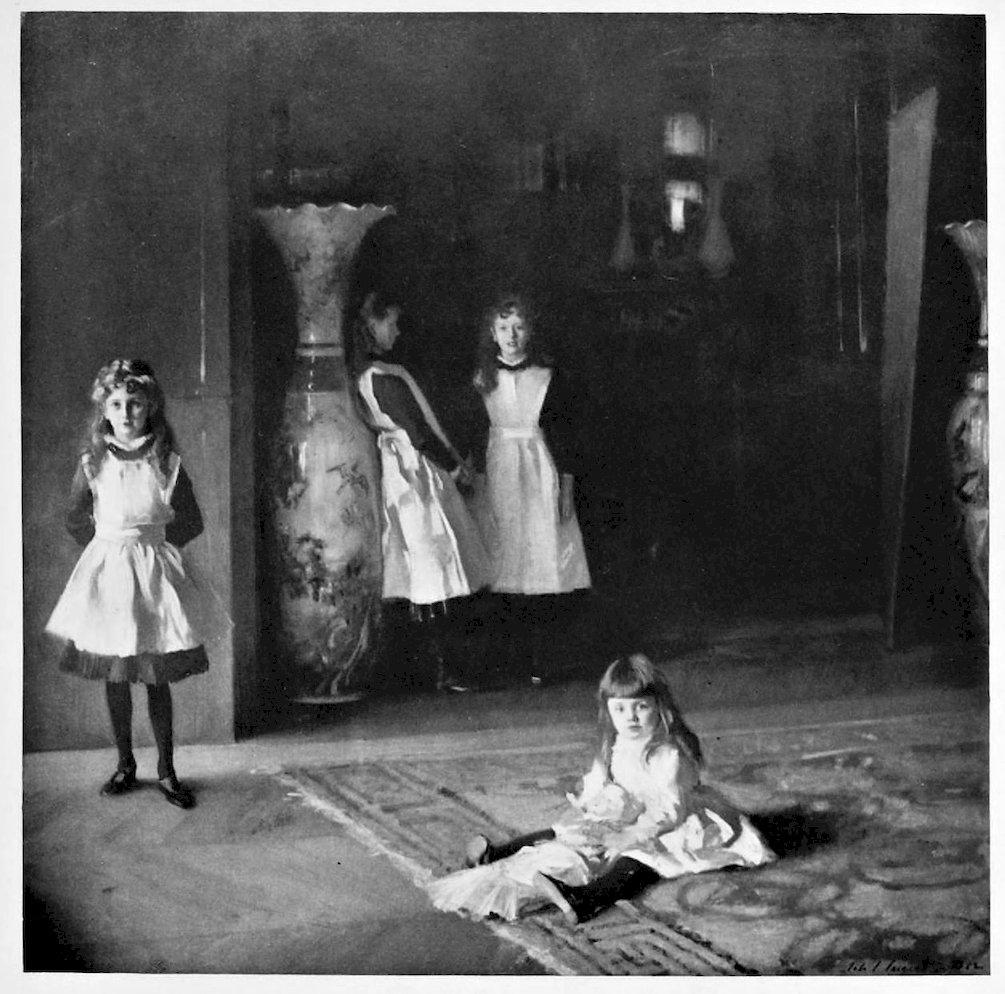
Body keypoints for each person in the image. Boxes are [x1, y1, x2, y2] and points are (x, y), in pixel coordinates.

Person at [425, 653, 776, 924]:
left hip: (670, 822)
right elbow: (598, 782)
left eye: (641, 707)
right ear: (608, 711)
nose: (631, 717)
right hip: (624, 812)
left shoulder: (667, 755)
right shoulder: (615, 745)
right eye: (620, 709)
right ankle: (498, 853)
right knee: (567, 830)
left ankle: (586, 898)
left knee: (641, 859)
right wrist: (591, 804)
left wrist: (630, 835)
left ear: (660, 708)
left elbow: (670, 811)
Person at [46, 358, 208, 809]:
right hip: (110, 578)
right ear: (104, 410)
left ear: (150, 407)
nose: (126, 413)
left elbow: (191, 520)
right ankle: (125, 763)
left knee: (156, 677)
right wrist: (108, 550)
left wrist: (153, 548)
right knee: (116, 675)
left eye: (134, 404)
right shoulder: (93, 463)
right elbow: (75, 518)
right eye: (116, 404)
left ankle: (167, 770)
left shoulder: (166, 463)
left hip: (153, 576)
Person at [352, 291, 490, 691]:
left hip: (411, 469)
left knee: (436, 564)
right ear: (372, 325)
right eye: (391, 324)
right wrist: (455, 469)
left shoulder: (379, 373)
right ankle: (443, 668)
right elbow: (419, 434)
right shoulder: (380, 377)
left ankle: (444, 666)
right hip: (416, 475)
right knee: (433, 565)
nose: (396, 332)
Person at [470, 293, 592, 684]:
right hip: (498, 470)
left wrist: (566, 486)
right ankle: (508, 661)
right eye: (503, 327)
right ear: (492, 332)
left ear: (530, 331)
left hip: (540, 470)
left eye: (519, 327)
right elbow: (472, 434)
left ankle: (544, 660)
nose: (512, 335)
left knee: (542, 556)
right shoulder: (481, 378)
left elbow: (568, 435)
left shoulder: (548, 376)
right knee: (503, 558)